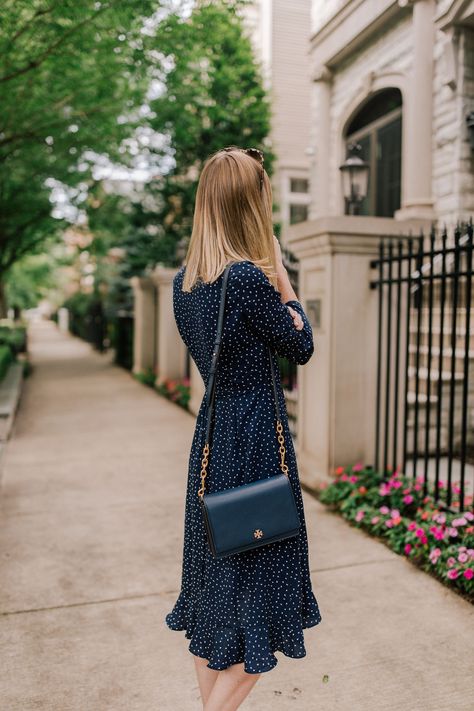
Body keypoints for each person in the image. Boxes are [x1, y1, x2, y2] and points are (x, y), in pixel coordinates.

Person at [165, 146, 322, 711]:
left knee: (219, 597)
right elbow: (301, 345)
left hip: (212, 437)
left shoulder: (186, 284)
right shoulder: (249, 281)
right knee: (259, 597)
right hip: (255, 438)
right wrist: (282, 276)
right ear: (248, 206)